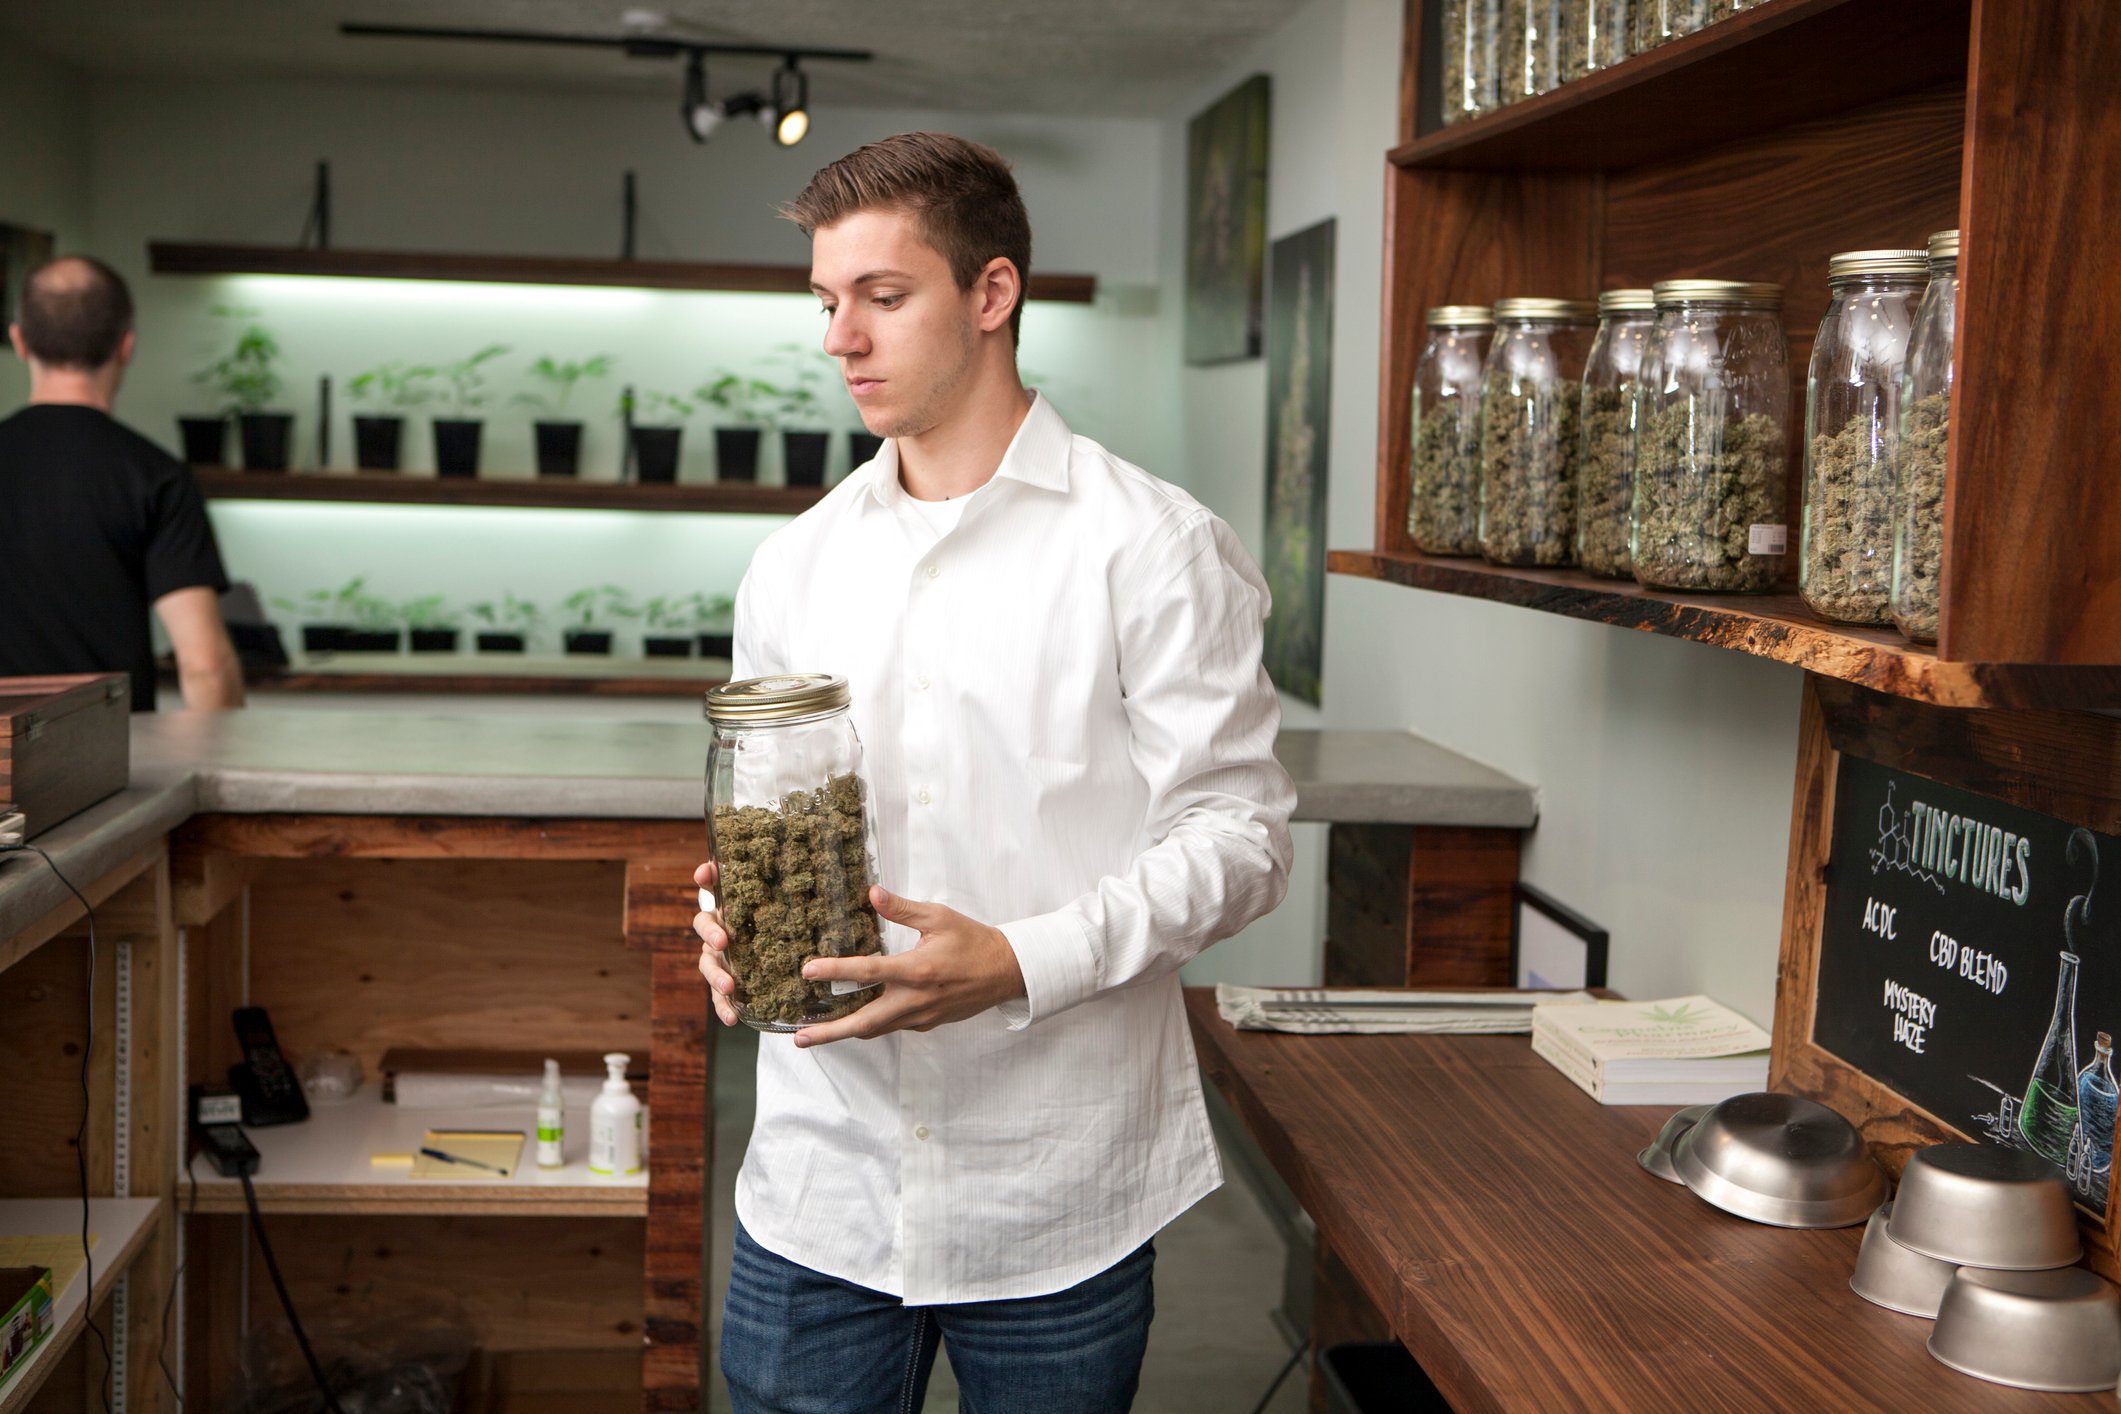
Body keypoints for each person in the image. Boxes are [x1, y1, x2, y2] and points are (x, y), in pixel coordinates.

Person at [693, 133, 1296, 1413]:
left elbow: (1240, 839)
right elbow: (770, 819)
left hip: (1057, 1188)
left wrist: (1019, 959)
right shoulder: (792, 568)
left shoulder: (1155, 548)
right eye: (825, 301)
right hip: (822, 1182)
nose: (838, 338)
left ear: (992, 293)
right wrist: (733, 922)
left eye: (882, 296)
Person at [1, 256, 244, 710]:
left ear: (20, 341)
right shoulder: (156, 475)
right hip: (114, 766)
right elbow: (206, 665)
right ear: (126, 346)